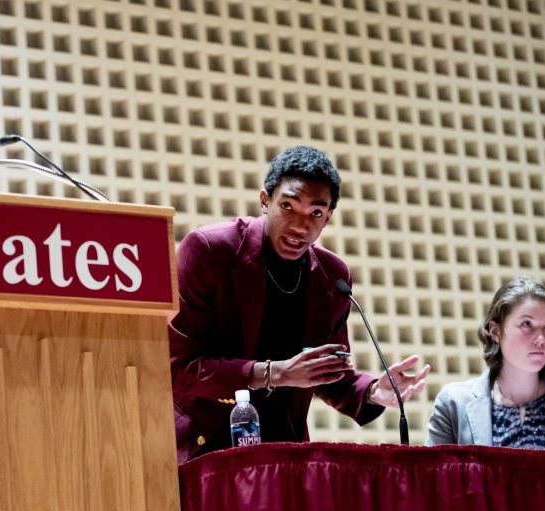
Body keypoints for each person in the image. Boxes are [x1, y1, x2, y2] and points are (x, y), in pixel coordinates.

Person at [168, 145, 430, 463]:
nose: (300, 225)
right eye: (288, 206)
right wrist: (273, 373)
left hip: (283, 457)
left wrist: (374, 391)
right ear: (265, 201)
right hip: (203, 447)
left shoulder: (333, 277)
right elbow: (178, 367)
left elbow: (331, 375)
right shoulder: (211, 250)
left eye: (315, 213)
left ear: (328, 217)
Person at [426, 277, 545, 451]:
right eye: (527, 324)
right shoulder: (453, 402)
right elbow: (433, 478)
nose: (541, 339)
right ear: (495, 331)